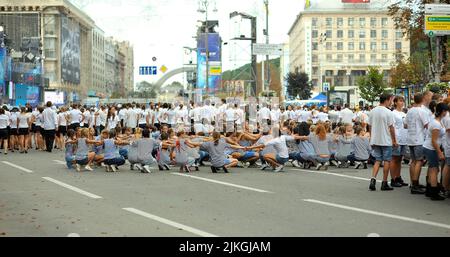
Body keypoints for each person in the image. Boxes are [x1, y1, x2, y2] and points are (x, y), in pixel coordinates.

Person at [368, 92, 397, 191]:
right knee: (387, 160)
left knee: (377, 160)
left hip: (375, 139)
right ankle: (384, 182)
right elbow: (392, 128)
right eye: (391, 100)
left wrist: (371, 138)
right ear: (387, 100)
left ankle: (373, 179)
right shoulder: (388, 112)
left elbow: (370, 126)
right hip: (386, 140)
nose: (391, 102)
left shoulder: (372, 111)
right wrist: (394, 140)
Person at [422, 102, 448, 200]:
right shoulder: (436, 124)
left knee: (432, 169)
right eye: (445, 111)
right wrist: (439, 152)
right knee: (434, 170)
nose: (446, 113)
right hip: (431, 148)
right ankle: (433, 192)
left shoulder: (436, 121)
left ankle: (429, 189)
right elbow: (434, 141)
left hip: (430, 147)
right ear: (442, 112)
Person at [405, 93, 430, 194]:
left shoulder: (410, 110)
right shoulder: (421, 111)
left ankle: (413, 182)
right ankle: (415, 184)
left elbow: (405, 125)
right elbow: (427, 125)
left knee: (413, 161)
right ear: (423, 99)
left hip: (410, 138)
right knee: (419, 161)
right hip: (418, 139)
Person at [391, 96, 409, 187]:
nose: (402, 103)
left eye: (403, 101)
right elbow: (392, 127)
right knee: (394, 158)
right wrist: (393, 139)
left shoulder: (404, 113)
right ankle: (393, 178)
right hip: (397, 138)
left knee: (400, 159)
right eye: (400, 101)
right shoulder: (393, 113)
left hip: (404, 138)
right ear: (395, 103)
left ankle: (398, 177)